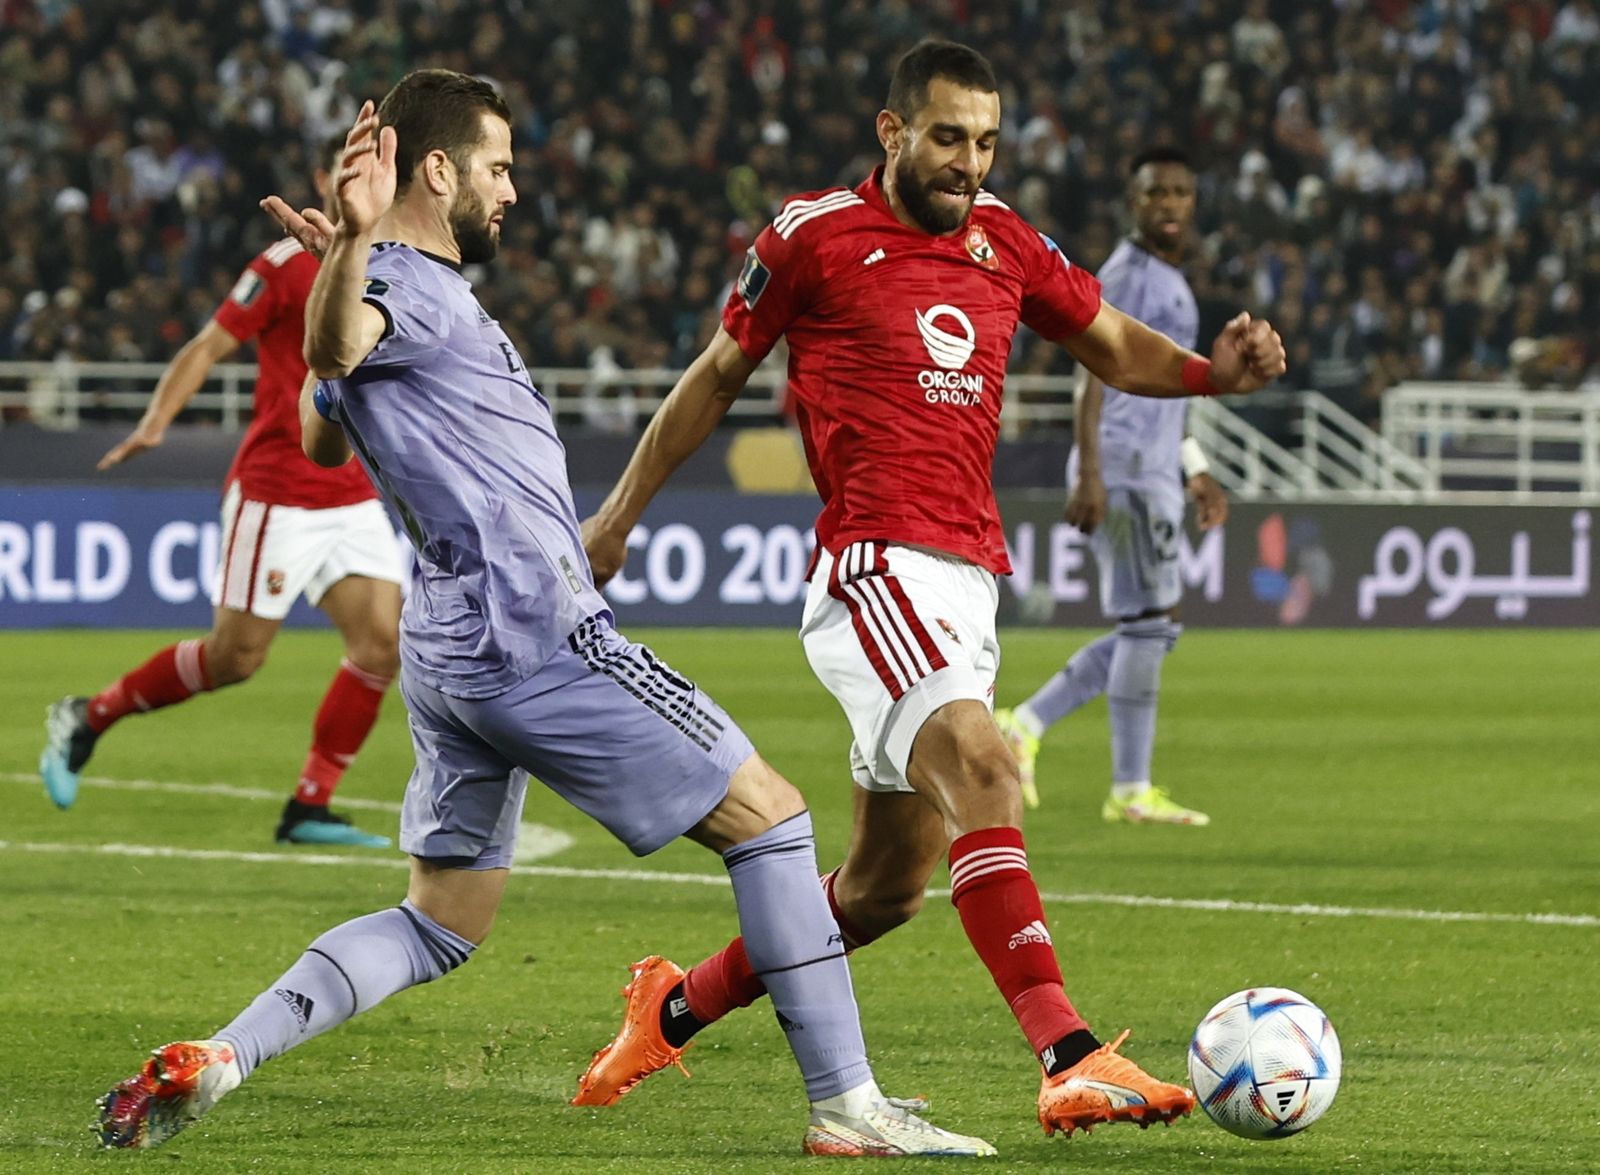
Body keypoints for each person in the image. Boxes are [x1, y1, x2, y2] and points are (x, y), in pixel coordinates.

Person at [94, 72, 993, 1160]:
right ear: (439, 170)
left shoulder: (392, 282)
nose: (512, 189)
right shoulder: (406, 287)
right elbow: (333, 355)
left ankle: (225, 1054)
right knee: (772, 819)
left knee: (438, 920)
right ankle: (848, 1105)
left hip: (448, 644)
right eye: (498, 166)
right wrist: (349, 256)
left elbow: (323, 419)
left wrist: (345, 261)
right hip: (536, 633)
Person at [574, 41, 1285, 1138]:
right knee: (990, 762)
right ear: (892, 130)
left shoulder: (1005, 240)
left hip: (967, 576)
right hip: (874, 563)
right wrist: (617, 518)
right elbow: (716, 375)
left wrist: (1209, 375)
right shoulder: (812, 236)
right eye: (948, 137)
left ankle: (670, 1005)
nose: (968, 163)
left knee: (878, 891)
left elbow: (1106, 341)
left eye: (986, 142)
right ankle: (1068, 1051)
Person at [39, 135, 400, 849]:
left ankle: (309, 805)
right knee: (236, 657)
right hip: (277, 490)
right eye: (345, 169)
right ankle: (90, 715)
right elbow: (208, 345)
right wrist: (155, 422)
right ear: (323, 178)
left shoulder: (395, 267)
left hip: (352, 489)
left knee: (381, 643)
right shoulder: (283, 264)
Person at [995, 147, 1226, 823]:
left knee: (1150, 626)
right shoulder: (1129, 274)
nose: (1171, 204)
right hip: (1123, 467)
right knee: (1151, 624)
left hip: (1150, 468)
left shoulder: (1171, 281)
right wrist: (1090, 467)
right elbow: (1091, 370)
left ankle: (1029, 725)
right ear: (1135, 202)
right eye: (1158, 192)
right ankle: (1128, 788)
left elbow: (1163, 386)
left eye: (1182, 192)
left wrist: (1194, 464)